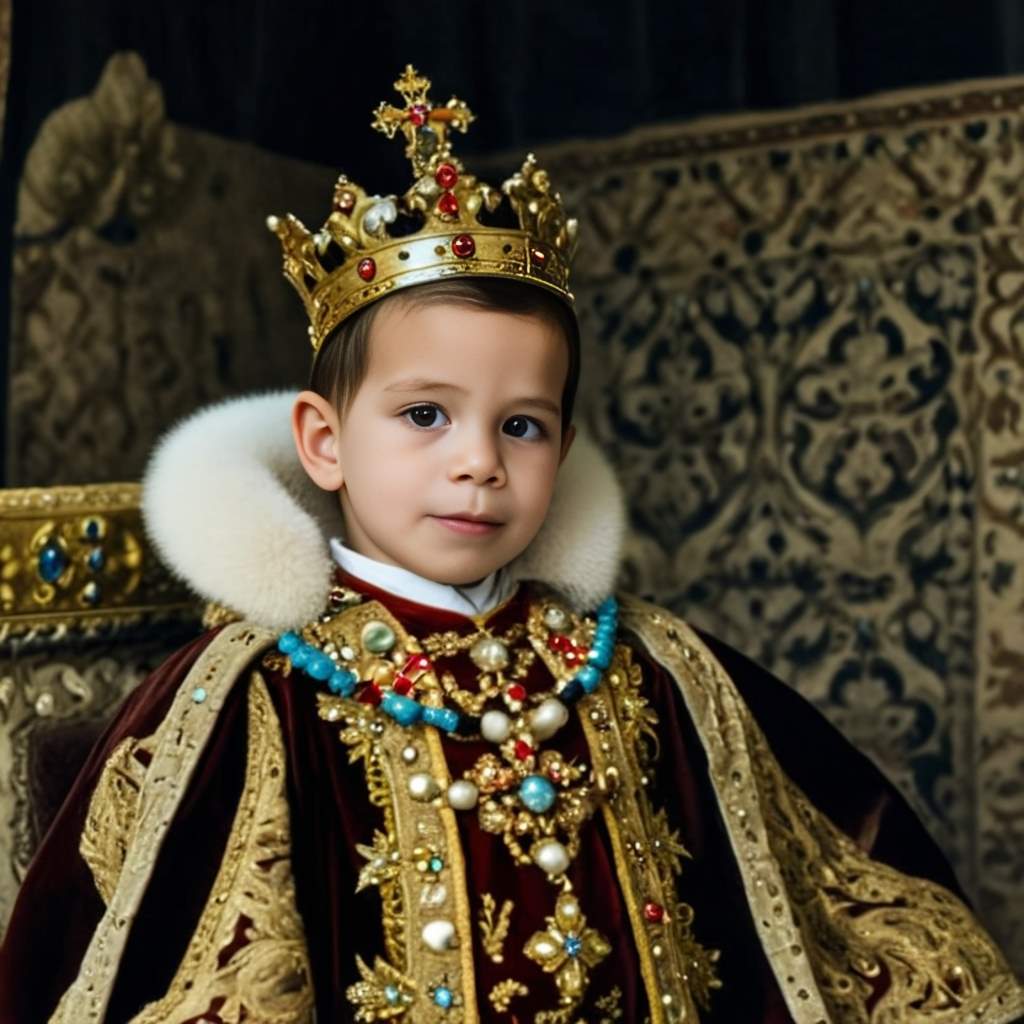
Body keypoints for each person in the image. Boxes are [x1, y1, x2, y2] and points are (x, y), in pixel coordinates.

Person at [1, 65, 1021, 1024]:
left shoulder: (650, 667)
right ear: (323, 441)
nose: (478, 462)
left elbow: (838, 877)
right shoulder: (256, 699)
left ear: (563, 447)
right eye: (425, 416)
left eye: (521, 425)